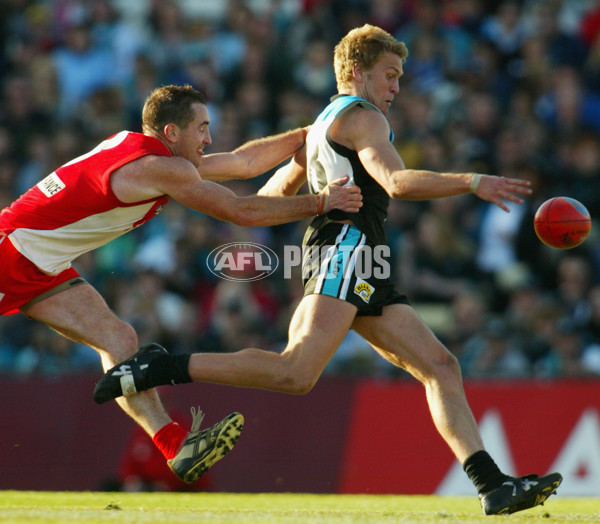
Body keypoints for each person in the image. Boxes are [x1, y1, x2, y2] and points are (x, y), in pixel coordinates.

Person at [95, 26, 562, 514]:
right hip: (349, 249)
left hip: (356, 255)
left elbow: (275, 196)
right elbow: (397, 183)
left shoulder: (319, 126)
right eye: (389, 74)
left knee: (440, 366)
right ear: (356, 74)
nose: (396, 87)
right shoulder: (363, 118)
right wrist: (472, 181)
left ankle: (492, 487)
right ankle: (161, 365)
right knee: (296, 372)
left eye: (398, 76)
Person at [0, 84, 362, 484]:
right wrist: (319, 203)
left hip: (41, 265)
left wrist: (311, 132)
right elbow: (239, 210)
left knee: (120, 340)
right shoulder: (163, 169)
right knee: (119, 342)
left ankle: (177, 447)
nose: (208, 138)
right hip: (9, 257)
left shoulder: (141, 150)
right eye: (202, 128)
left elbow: (242, 162)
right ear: (172, 133)